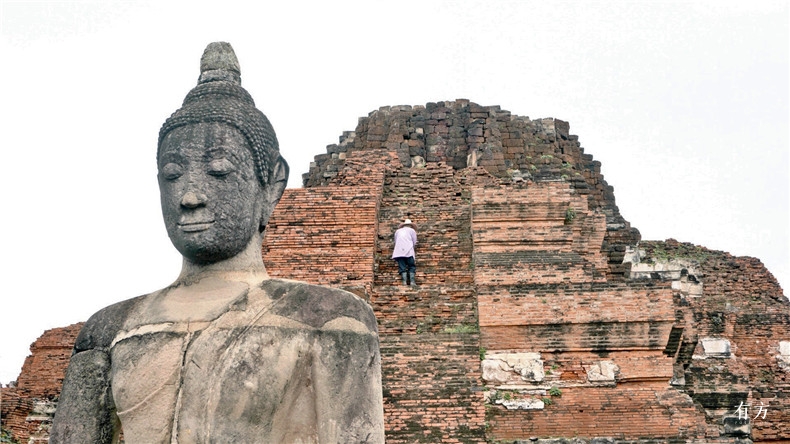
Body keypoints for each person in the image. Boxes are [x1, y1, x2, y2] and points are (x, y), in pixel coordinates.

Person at [50, 42, 384, 443]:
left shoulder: (329, 318)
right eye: (172, 175)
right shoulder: (109, 330)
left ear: (272, 184)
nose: (190, 197)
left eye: (219, 171)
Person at [392, 219, 418, 286]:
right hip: (409, 250)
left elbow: (395, 241)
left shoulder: (398, 231)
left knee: (402, 267)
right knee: (411, 266)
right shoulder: (412, 231)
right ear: (410, 225)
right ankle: (412, 282)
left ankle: (404, 282)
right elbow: (414, 241)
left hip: (399, 251)